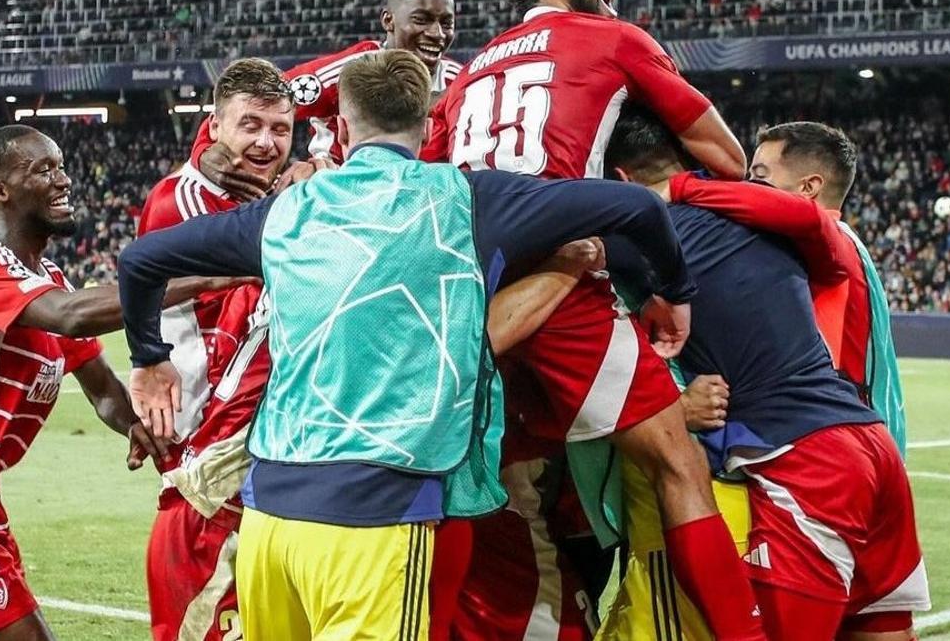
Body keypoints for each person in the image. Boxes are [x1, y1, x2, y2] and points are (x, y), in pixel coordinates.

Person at [117, 50, 698, 641]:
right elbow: (639, 206)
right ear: (426, 130)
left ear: (340, 129)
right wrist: (673, 291)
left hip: (270, 521)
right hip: (376, 517)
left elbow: (140, 260)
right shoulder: (469, 199)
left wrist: (147, 361)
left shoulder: (287, 211)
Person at [422, 0, 762, 640]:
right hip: (560, 271)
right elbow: (728, 157)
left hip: (461, 290)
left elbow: (432, 178)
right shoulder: (613, 37)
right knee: (678, 464)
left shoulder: (469, 71)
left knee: (472, 478)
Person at [0, 125, 214, 641]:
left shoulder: (50, 277)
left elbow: (101, 389)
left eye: (61, 166)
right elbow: (73, 317)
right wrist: (215, 273)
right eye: (43, 169)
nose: (63, 180)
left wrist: (147, 434)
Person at [606, 108, 930, 641]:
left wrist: (667, 194)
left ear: (808, 187)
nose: (742, 181)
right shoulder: (811, 241)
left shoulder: (654, 236)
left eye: (758, 176)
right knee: (883, 627)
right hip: (871, 448)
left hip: (805, 455)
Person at [136, 57, 295, 641]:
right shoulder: (179, 201)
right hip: (206, 471)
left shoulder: (259, 198)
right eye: (249, 125)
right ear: (216, 126)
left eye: (280, 129)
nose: (265, 141)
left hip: (250, 460)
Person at [669, 122, 908, 455]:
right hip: (853, 438)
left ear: (808, 187)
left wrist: (674, 188)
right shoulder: (840, 249)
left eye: (760, 177)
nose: (747, 186)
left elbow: (790, 214)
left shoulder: (833, 242)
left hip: (830, 443)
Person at [195, 0, 462, 198]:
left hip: (422, 214)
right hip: (341, 209)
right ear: (388, 20)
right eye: (421, 20)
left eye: (446, 23)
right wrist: (205, 148)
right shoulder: (347, 71)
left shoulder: (461, 82)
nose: (437, 34)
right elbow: (255, 98)